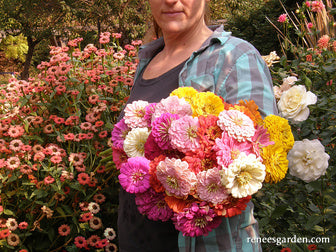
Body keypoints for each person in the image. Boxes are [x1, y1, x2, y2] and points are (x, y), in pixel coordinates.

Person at [117, 0, 278, 251]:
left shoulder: (235, 57)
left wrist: (188, 171)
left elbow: (265, 153)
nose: (171, 1)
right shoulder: (149, 59)